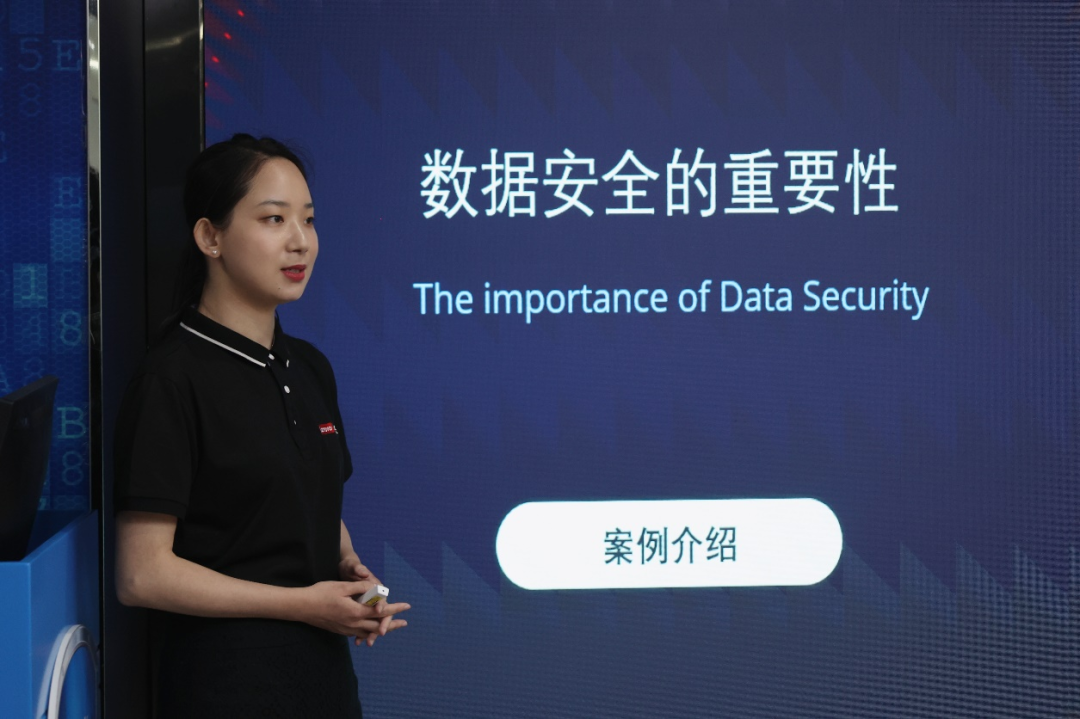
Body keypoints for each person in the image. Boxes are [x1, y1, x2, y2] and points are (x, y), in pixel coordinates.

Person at [113, 134, 408, 718]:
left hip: (324, 686)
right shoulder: (171, 379)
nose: (300, 241)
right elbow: (142, 574)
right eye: (274, 219)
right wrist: (303, 604)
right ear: (210, 237)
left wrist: (350, 571)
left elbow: (308, 505)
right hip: (225, 691)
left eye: (308, 220)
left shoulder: (310, 366)